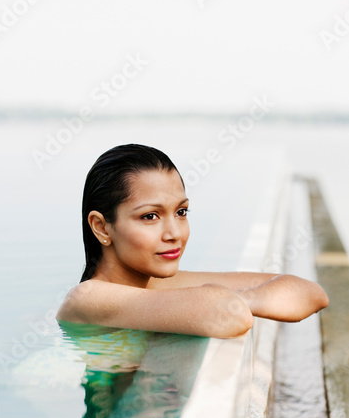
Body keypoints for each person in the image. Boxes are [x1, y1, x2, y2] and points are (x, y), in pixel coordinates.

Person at [56, 143, 329, 339]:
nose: (174, 232)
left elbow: (311, 293)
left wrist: (213, 298)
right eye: (150, 216)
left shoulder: (159, 286)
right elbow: (230, 315)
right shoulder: (87, 298)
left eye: (181, 212)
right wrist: (214, 298)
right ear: (102, 228)